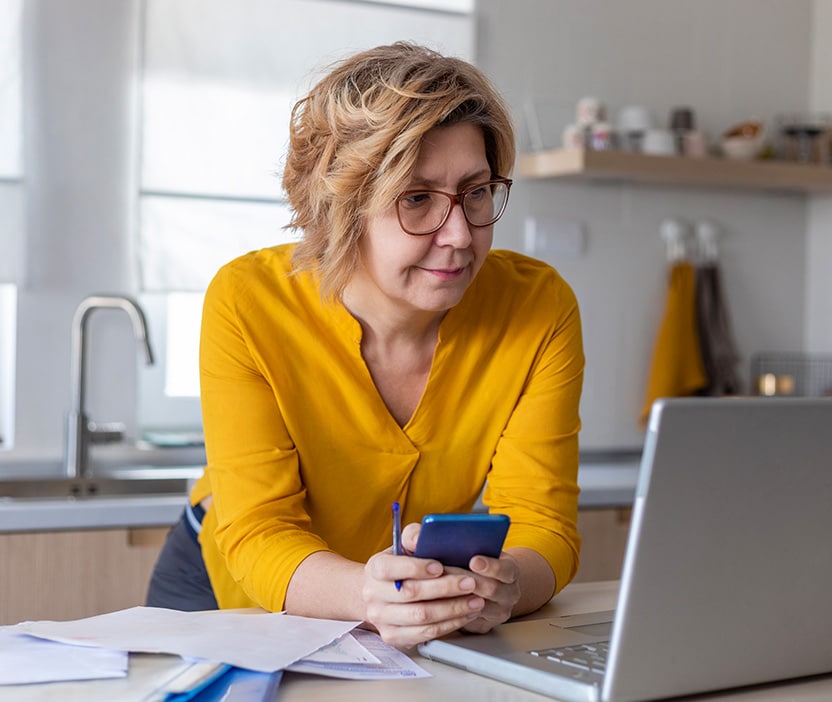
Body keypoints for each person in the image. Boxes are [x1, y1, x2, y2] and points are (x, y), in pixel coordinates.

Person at [147, 42, 584, 649]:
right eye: (417, 199)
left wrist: (508, 583)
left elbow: (543, 523)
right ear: (342, 208)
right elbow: (260, 531)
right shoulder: (248, 302)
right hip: (238, 587)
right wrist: (370, 596)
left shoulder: (539, 307)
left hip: (411, 604)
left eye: (477, 192)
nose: (460, 235)